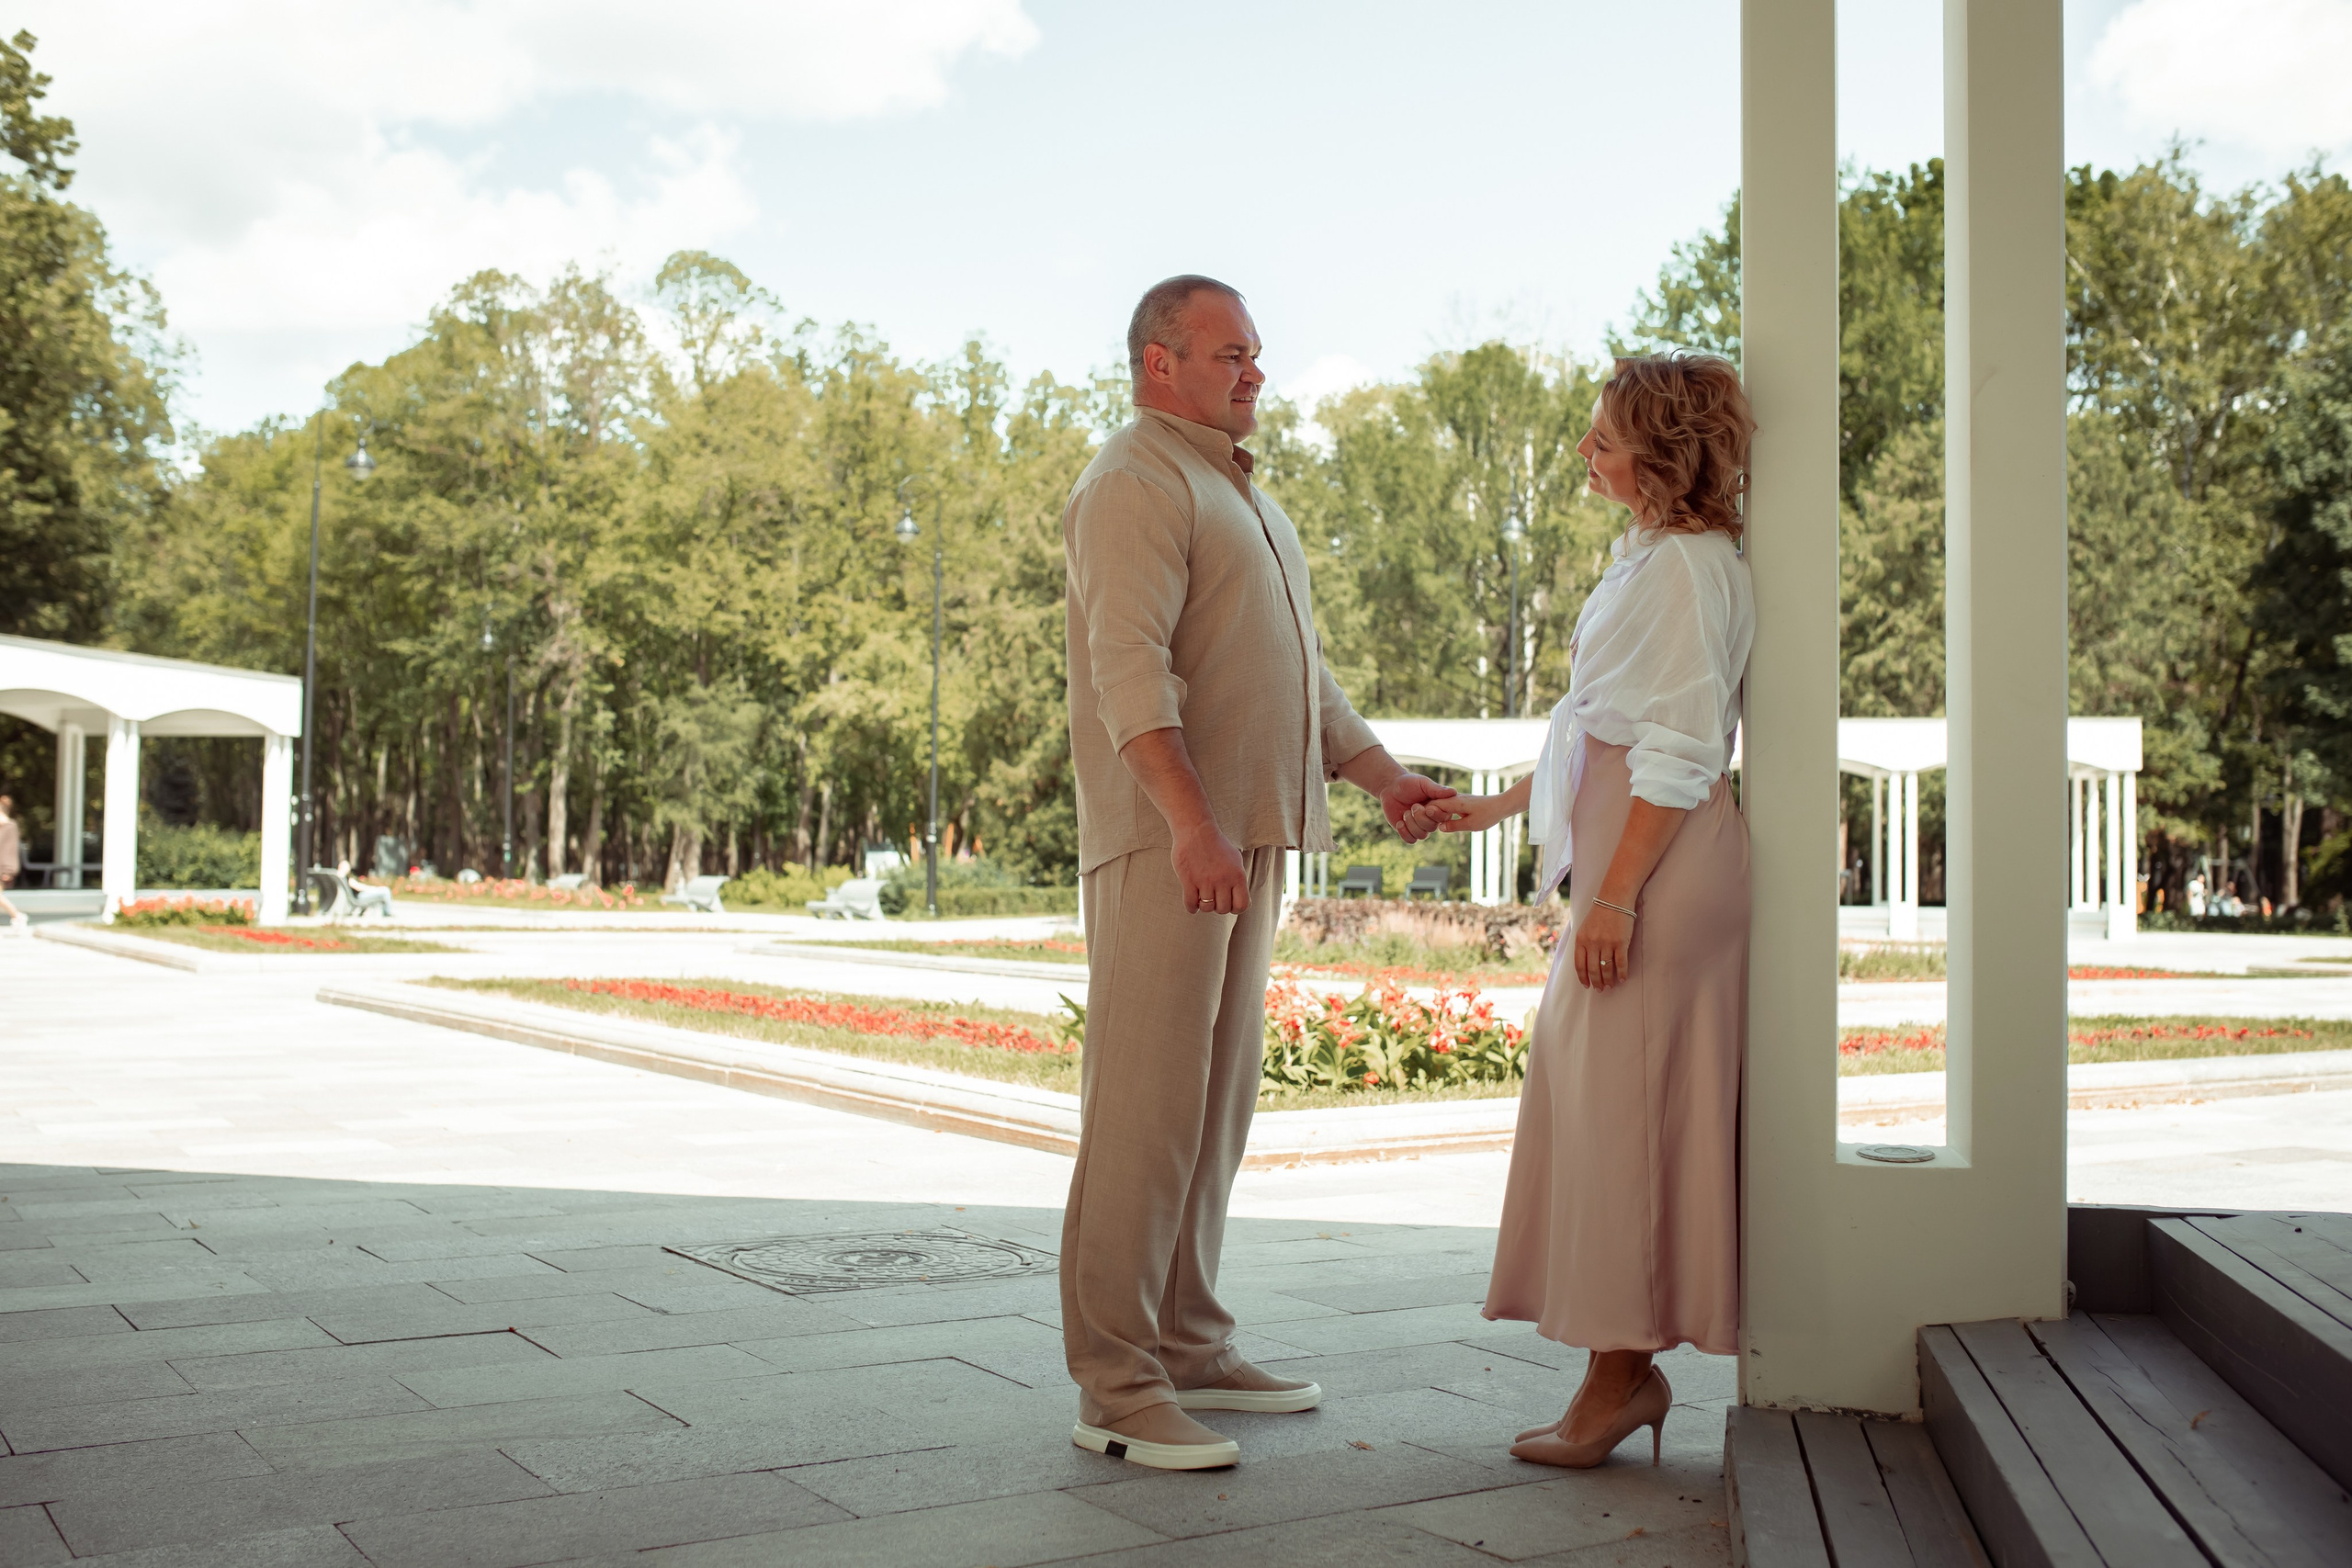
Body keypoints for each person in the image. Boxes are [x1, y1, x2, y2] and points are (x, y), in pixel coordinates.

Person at [1060, 275, 1455, 1471]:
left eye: (1258, 353)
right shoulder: (1133, 482)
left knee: (1212, 1111)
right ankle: (1118, 1382)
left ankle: (1187, 1337)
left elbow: (1303, 676)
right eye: (1229, 353)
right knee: (1141, 1113)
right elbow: (1129, 669)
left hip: (1246, 841)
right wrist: (1187, 821)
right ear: (1156, 363)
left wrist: (1385, 777)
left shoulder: (1243, 493)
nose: (1255, 372)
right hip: (1173, 846)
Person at [1410, 353, 1756, 1467]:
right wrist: (1498, 806)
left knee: (1625, 1124)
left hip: (1653, 870)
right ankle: (1617, 1373)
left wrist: (1614, 897)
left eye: (1602, 438)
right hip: (1629, 860)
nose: (1583, 454)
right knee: (1604, 1110)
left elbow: (1682, 744)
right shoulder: (1652, 557)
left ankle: (1620, 1380)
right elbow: (1600, 723)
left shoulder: (1687, 569)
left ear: (1659, 451)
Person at [0, 794, 26, 929]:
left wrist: (8, 869)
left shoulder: (10, 827)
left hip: (4, 867)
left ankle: (16, 915)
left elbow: (9, 850)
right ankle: (16, 916)